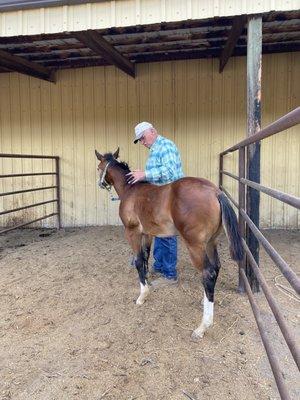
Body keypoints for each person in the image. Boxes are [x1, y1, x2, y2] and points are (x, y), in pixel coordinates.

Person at [127, 122, 184, 287]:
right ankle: (159, 265)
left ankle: (169, 274)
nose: (142, 143)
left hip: (170, 196)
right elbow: (158, 173)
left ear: (153, 131)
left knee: (167, 235)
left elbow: (170, 172)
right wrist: (143, 175)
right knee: (158, 232)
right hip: (161, 197)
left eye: (143, 138)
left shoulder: (165, 146)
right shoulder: (155, 150)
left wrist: (145, 174)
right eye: (140, 141)